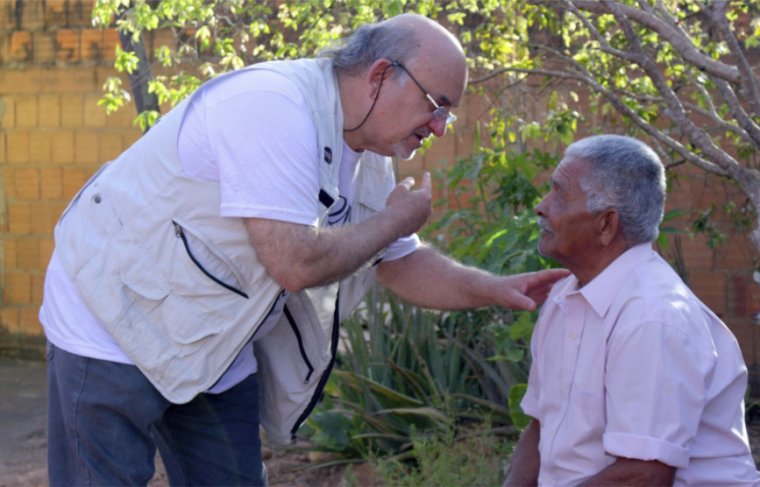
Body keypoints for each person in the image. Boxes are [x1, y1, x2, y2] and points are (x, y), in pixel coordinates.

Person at [41, 13, 568, 486]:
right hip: (113, 318)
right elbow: (294, 262)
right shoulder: (274, 107)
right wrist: (391, 221)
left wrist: (495, 290)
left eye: (446, 116)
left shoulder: (367, 150)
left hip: (211, 342)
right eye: (437, 107)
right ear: (381, 75)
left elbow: (400, 261)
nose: (438, 127)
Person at [503, 134, 760, 486]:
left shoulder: (653, 317)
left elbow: (642, 477)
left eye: (559, 194)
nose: (541, 207)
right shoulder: (565, 297)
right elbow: (540, 429)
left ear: (606, 224)